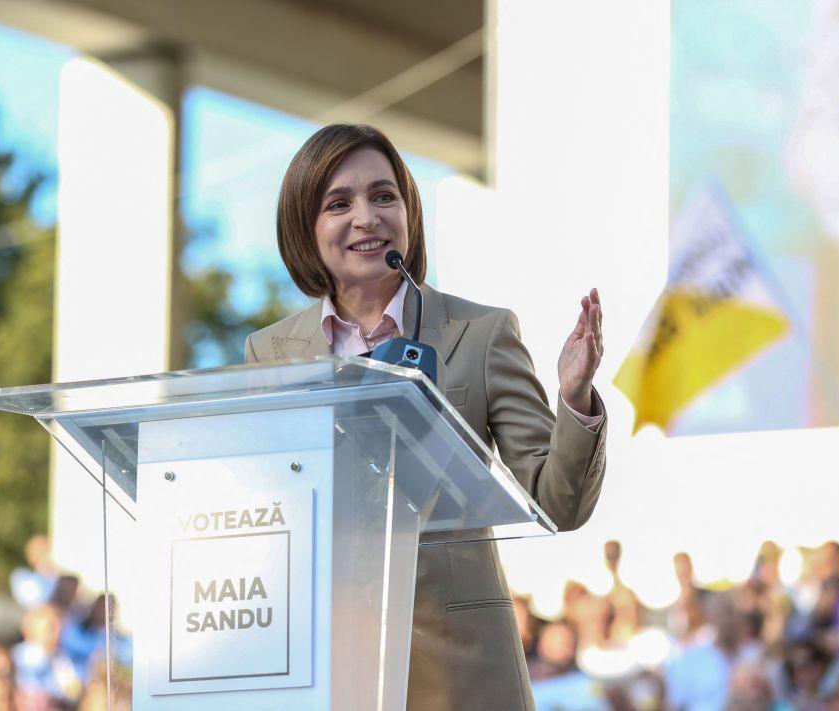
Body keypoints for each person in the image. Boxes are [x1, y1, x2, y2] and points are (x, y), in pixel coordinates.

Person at [244, 123, 609, 710]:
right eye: (339, 203)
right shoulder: (269, 353)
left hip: (458, 659)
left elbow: (558, 501)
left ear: (408, 215)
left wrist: (575, 397)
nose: (366, 217)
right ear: (305, 230)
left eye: (383, 196)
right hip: (322, 655)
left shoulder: (482, 334)